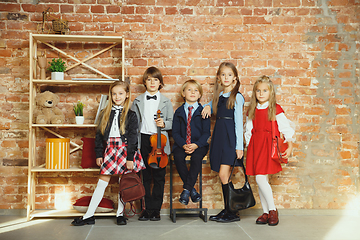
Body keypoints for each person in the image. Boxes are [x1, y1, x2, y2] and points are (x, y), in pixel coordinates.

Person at [71, 79, 145, 226]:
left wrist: (130, 158)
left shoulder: (131, 115)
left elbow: (132, 139)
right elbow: (98, 136)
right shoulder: (104, 113)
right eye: (114, 94)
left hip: (125, 150)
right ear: (110, 95)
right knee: (101, 183)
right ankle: (88, 215)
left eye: (120, 93)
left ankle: (120, 214)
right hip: (110, 150)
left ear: (127, 95)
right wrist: (99, 154)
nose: (117, 97)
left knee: (122, 183)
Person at [245, 75, 295, 226]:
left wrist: (290, 145)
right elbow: (248, 130)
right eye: (258, 91)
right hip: (256, 146)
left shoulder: (275, 108)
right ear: (255, 92)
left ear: (270, 92)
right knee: (260, 180)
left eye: (264, 90)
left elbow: (285, 128)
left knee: (261, 179)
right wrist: (249, 148)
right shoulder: (252, 109)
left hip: (268, 146)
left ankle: (272, 210)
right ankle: (266, 212)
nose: (261, 93)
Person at [201, 62, 245, 223]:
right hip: (219, 137)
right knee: (223, 175)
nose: (226, 78)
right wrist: (207, 106)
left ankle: (232, 211)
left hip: (229, 139)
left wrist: (239, 146)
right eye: (223, 74)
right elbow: (213, 107)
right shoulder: (219, 97)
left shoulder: (237, 97)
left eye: (229, 75)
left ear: (235, 78)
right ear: (219, 78)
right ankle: (229, 209)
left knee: (223, 174)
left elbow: (238, 123)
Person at [131, 67, 173, 221]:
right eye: (149, 79)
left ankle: (156, 210)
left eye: (155, 79)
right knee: (145, 177)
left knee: (160, 177)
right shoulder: (137, 101)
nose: (152, 82)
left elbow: (172, 123)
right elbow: (133, 123)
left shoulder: (166, 101)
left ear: (160, 83)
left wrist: (164, 124)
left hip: (160, 142)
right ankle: (146, 209)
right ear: (145, 82)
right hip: (143, 140)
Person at [172, 79, 211, 205]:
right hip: (182, 144)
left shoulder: (203, 111)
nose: (192, 92)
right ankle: (192, 190)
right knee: (178, 156)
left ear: (199, 95)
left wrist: (196, 145)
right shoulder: (178, 112)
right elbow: (175, 133)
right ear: (183, 93)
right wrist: (183, 144)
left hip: (199, 145)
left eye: (196, 90)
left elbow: (206, 133)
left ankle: (186, 190)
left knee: (196, 158)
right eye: (189, 90)